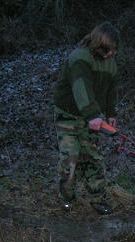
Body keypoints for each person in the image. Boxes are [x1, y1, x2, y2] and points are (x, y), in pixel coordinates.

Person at [53, 22, 120, 214]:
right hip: (68, 115)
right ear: (97, 44)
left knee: (94, 158)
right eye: (107, 50)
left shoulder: (111, 64)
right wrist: (92, 115)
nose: (110, 54)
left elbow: (110, 91)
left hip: (92, 119)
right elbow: (80, 87)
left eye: (113, 50)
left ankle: (98, 199)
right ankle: (66, 198)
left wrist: (111, 113)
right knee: (70, 158)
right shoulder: (80, 58)